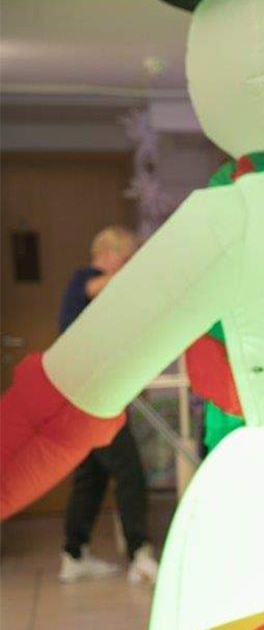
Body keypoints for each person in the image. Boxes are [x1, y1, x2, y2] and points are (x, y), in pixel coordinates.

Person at [56, 226, 159, 585]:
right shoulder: (84, 281)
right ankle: (139, 554)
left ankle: (74, 555)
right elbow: (99, 287)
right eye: (127, 257)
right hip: (92, 397)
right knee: (129, 472)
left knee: (92, 477)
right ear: (109, 254)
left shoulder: (102, 292)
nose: (129, 264)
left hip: (90, 395)